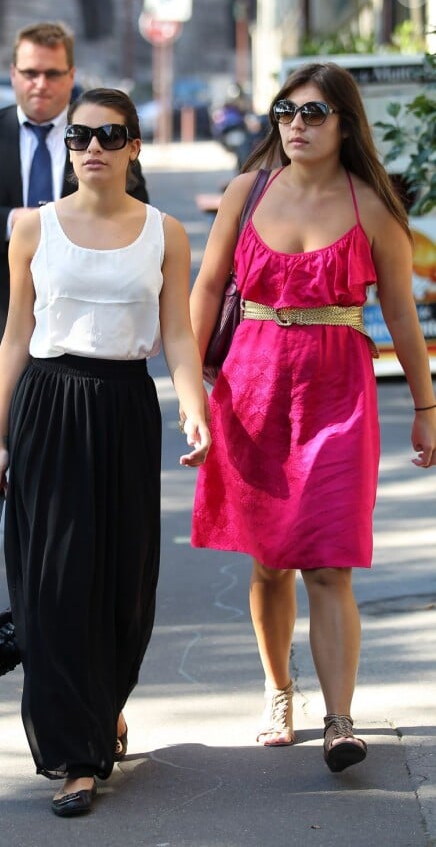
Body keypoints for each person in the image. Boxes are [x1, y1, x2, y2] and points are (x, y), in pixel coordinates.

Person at [189, 62, 436, 773]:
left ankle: (339, 719)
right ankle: (278, 691)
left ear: (345, 125)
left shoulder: (373, 208)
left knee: (329, 563)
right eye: (286, 111)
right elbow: (207, 288)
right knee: (270, 564)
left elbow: (402, 318)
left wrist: (426, 408)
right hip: (252, 392)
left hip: (338, 396)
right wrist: (190, 397)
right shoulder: (248, 191)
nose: (296, 125)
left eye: (314, 113)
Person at [0, 87, 210, 816]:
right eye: (80, 136)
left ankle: (104, 706)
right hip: (48, 408)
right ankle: (77, 760)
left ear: (134, 147)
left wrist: (195, 409)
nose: (92, 148)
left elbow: (177, 332)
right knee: (54, 586)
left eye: (110, 135)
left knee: (122, 580)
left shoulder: (164, 233)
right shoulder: (33, 228)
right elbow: (15, 336)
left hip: (124, 410)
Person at [0, 21, 149, 388]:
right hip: (1, 316)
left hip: (85, 324)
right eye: (30, 73)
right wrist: (14, 221)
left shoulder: (103, 137)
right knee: (14, 423)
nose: (40, 84)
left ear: (71, 75)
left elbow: (136, 211)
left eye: (52, 73)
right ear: (13, 74)